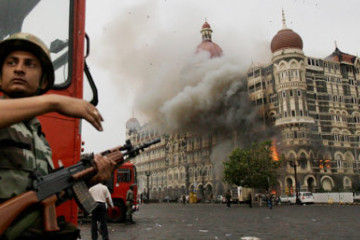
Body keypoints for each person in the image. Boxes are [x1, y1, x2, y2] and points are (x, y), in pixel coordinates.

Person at [0, 33, 116, 239]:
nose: (19, 68)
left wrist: (89, 179)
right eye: (11, 63)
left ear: (43, 80)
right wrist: (54, 102)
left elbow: (48, 193)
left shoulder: (39, 138)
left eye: (30, 64)